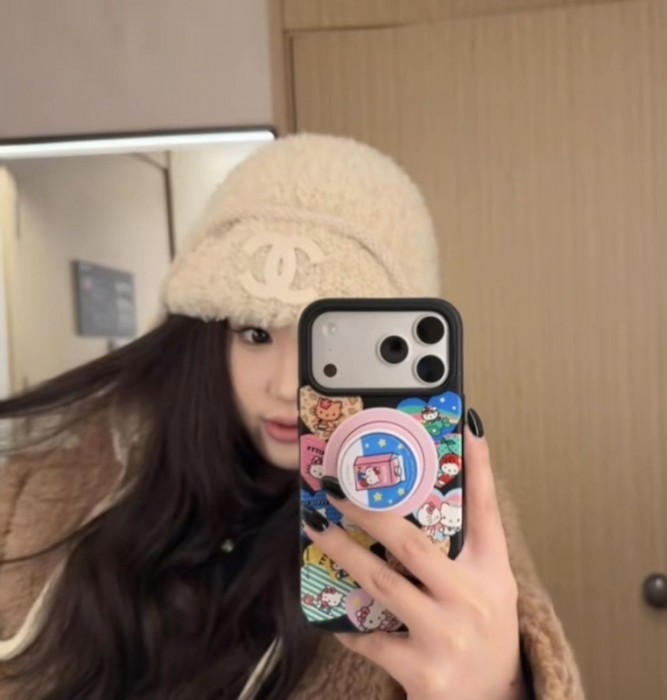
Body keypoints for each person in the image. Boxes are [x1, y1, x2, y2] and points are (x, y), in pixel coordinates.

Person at [0, 134, 584, 699]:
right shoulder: (32, 500)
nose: (286, 387)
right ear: (207, 339)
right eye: (255, 334)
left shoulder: (452, 521)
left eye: (323, 348)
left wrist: (500, 690)